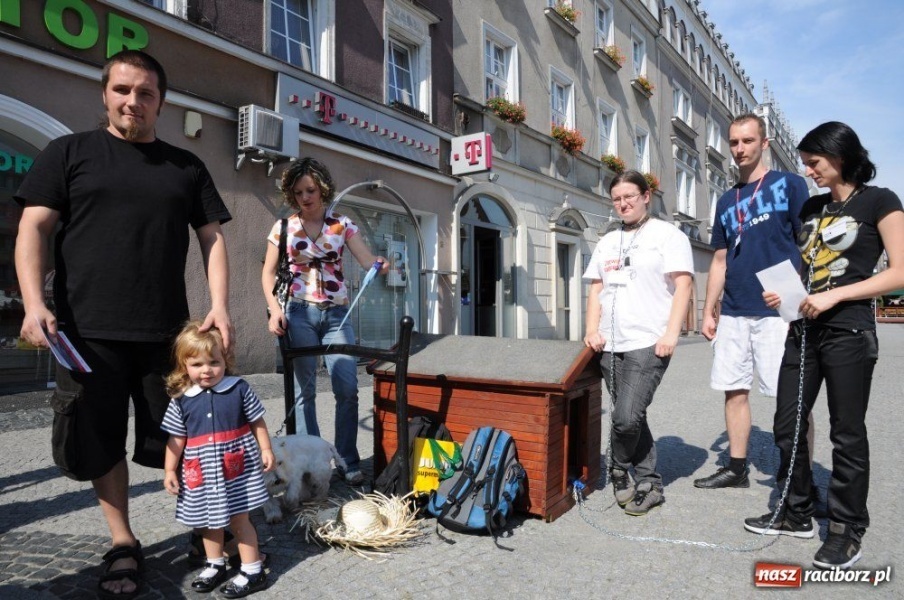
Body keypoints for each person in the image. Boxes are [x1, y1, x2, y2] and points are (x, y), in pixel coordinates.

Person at [13, 50, 232, 598]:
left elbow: (213, 238)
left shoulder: (186, 167)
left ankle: (206, 531)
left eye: (146, 93)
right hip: (87, 334)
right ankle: (123, 543)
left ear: (161, 101)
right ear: (105, 93)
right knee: (100, 440)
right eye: (123, 90)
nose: (133, 100)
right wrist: (33, 302)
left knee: (193, 439)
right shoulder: (68, 153)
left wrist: (221, 306)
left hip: (168, 335)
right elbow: (33, 227)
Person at [745, 122, 904, 569]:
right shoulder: (813, 208)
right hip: (803, 327)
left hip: (849, 330)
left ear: (840, 155)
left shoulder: (881, 200)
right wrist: (786, 293)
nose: (808, 170)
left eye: (814, 161)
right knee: (786, 420)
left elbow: (899, 272)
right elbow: (810, 270)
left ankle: (846, 526)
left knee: (846, 432)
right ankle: (796, 510)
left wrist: (835, 295)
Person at [694, 113, 813, 490]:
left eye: (747, 141)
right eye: (734, 142)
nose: (740, 149)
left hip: (780, 309)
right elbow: (719, 258)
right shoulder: (727, 199)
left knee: (792, 397)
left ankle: (798, 474)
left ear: (764, 144)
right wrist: (708, 308)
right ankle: (737, 467)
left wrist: (800, 293)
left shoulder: (789, 185)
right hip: (734, 309)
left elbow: (808, 243)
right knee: (734, 390)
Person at [261, 157, 387, 485]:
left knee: (346, 386)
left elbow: (366, 259)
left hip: (336, 314)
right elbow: (268, 273)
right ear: (292, 194)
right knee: (305, 391)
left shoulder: (342, 225)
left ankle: (346, 458)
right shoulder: (284, 228)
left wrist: (381, 264)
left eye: (311, 190)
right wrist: (275, 310)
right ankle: (309, 461)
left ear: (323, 189)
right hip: (299, 312)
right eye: (299, 191)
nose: (306, 197)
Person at [582, 170, 693, 516]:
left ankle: (617, 468)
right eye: (617, 199)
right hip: (610, 343)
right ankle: (649, 481)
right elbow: (596, 288)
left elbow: (684, 285)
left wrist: (671, 334)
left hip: (648, 340)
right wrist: (591, 330)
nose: (623, 203)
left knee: (626, 417)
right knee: (631, 413)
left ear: (647, 196)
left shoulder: (667, 235)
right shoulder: (607, 241)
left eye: (630, 196)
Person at [163, 322, 274, 597]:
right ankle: (216, 564)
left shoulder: (239, 388)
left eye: (214, 362)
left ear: (226, 360)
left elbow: (256, 421)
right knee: (208, 522)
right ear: (184, 365)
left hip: (237, 471)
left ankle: (252, 570)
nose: (206, 370)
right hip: (201, 472)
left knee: (240, 520)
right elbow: (176, 439)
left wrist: (266, 449)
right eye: (197, 364)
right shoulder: (181, 399)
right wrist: (169, 470)